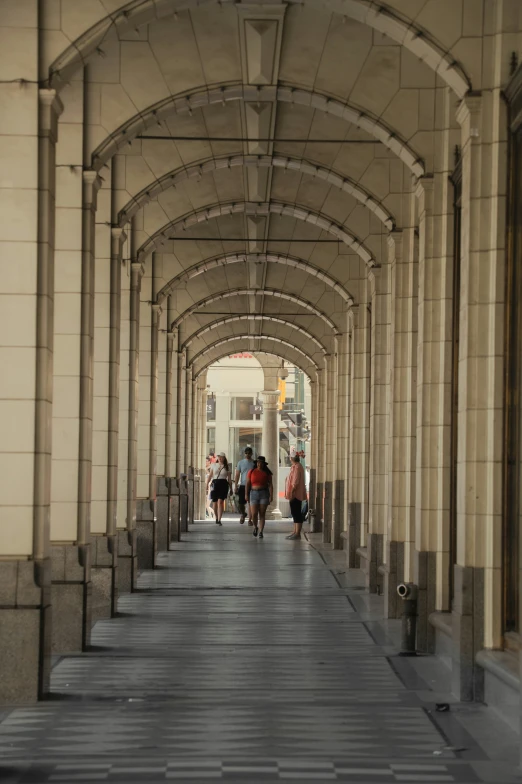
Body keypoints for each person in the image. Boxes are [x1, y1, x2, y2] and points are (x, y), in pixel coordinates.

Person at [245, 456, 273, 539]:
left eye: (261, 462)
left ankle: (261, 531)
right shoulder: (251, 471)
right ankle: (255, 527)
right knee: (254, 514)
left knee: (262, 513)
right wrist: (246, 494)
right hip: (253, 493)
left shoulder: (267, 473)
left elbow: (270, 485)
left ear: (263, 464)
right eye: (258, 462)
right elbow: (247, 484)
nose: (259, 464)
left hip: (264, 493)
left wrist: (271, 496)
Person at [285, 455, 307, 540]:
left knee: (296, 513)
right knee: (294, 513)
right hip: (293, 493)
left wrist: (292, 491)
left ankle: (297, 533)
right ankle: (295, 531)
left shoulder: (297, 467)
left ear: (292, 459)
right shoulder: (294, 467)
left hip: (295, 494)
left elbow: (295, 480)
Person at [206, 452, 232, 526]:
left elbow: (229, 479)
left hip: (223, 484)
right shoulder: (214, 465)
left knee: (220, 501)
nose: (220, 458)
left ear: (224, 458)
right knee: (214, 502)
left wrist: (231, 488)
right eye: (219, 457)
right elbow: (210, 475)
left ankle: (220, 519)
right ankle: (216, 517)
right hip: (215, 483)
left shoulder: (227, 466)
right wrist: (207, 484)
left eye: (221, 457)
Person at [234, 447, 255, 525]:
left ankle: (250, 520)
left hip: (252, 485)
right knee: (241, 503)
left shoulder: (254, 463)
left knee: (251, 503)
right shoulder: (240, 463)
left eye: (249, 453)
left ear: (251, 454)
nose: (247, 455)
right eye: (246, 453)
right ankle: (243, 513)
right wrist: (235, 486)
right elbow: (237, 475)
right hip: (243, 485)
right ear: (244, 454)